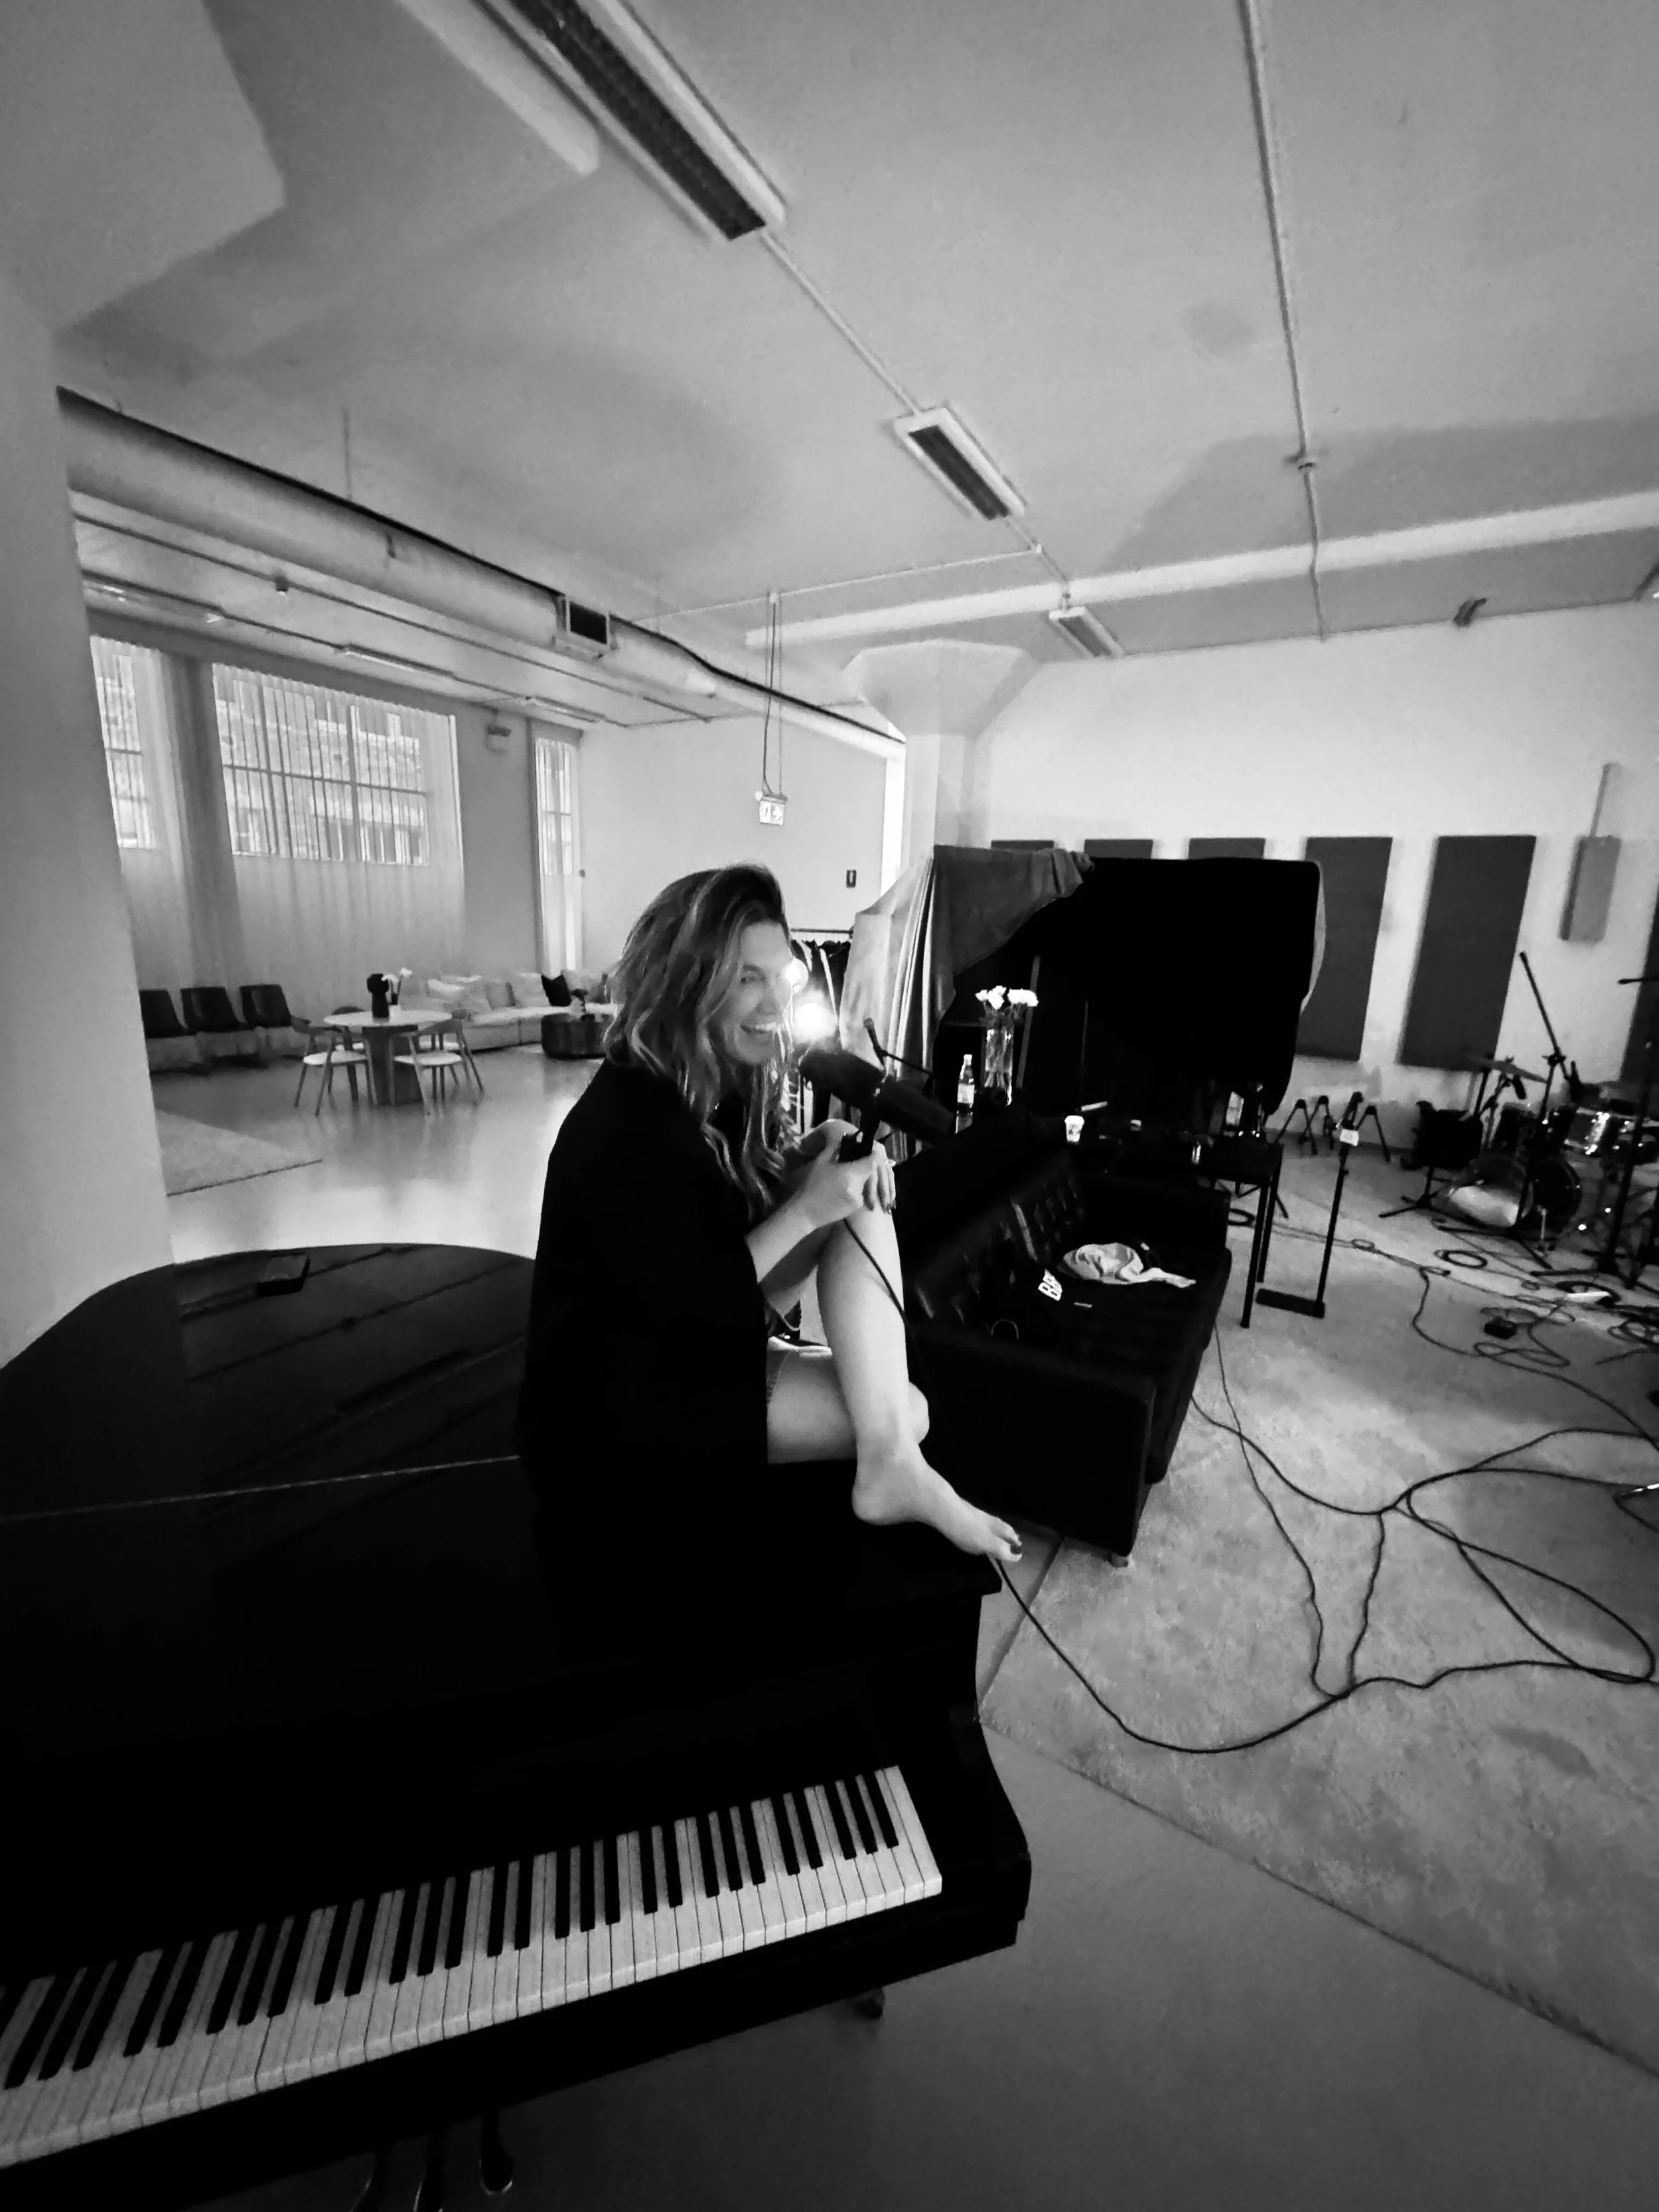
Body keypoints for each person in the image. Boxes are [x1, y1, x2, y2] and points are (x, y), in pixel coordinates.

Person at [516, 863, 1021, 1635]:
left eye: (775, 976)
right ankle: (889, 1463)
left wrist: (808, 1167)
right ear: (686, 982)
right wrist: (808, 1206)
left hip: (683, 1351)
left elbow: (705, 1232)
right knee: (903, 1407)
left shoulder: (702, 1082)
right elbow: (693, 1300)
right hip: (623, 1418)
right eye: (742, 979)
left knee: (854, 1198)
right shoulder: (624, 1126)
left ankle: (888, 1466)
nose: (772, 1002)